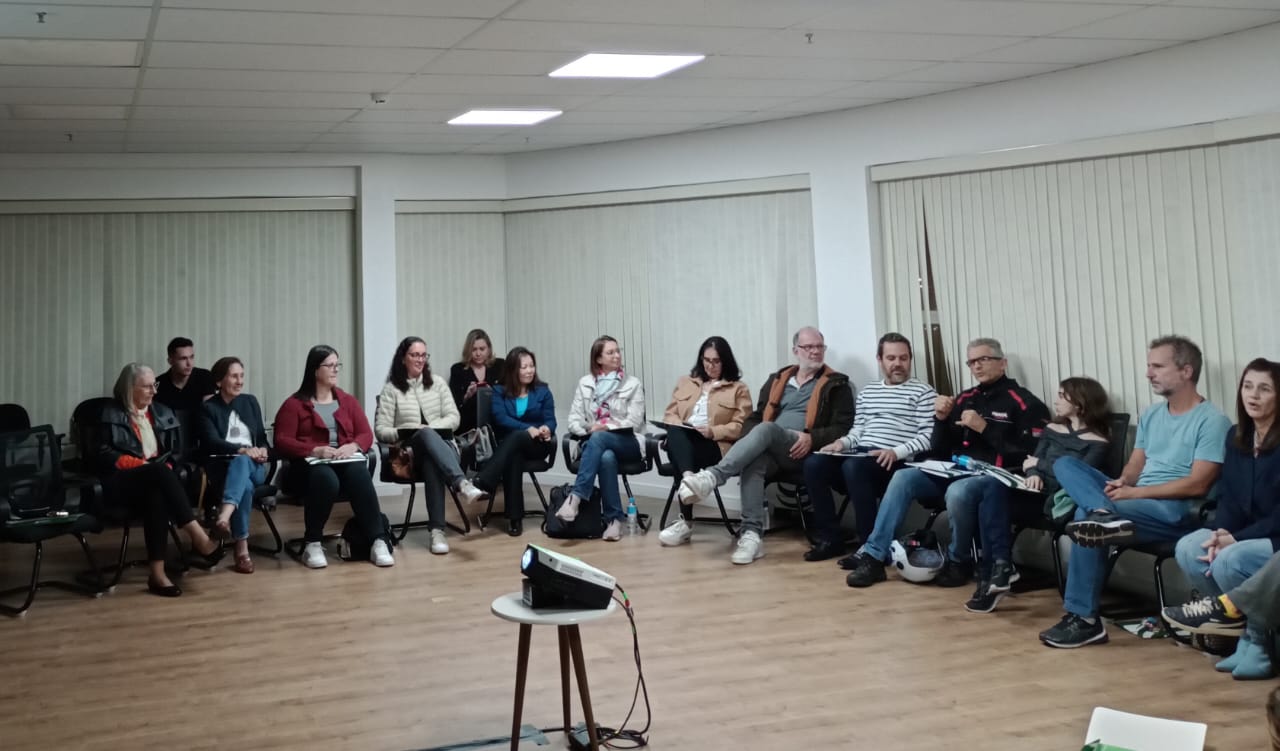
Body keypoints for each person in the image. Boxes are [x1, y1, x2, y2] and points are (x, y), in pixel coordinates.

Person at [1038, 336, 1232, 648]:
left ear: (1186, 371)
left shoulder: (1212, 421)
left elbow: (1198, 484)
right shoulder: (1152, 414)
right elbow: (1135, 464)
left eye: (1158, 366)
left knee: (1087, 516)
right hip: (1134, 501)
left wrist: (1134, 494)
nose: (1149, 373)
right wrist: (1124, 482)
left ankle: (1085, 620)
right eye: (1148, 366)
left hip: (1175, 509)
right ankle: (1103, 512)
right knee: (1066, 465)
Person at [843, 338, 1049, 592]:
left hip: (994, 478)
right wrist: (940, 419)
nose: (977, 366)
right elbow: (939, 448)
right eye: (972, 361)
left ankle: (958, 560)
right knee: (904, 477)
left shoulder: (1024, 402)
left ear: (1003, 363)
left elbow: (1031, 455)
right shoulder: (966, 397)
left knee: (959, 490)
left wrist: (984, 428)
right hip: (952, 469)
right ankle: (874, 556)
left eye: (984, 359)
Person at [678, 327, 855, 564]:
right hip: (773, 449)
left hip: (806, 450)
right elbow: (755, 417)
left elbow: (843, 426)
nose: (815, 352)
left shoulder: (837, 384)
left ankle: (712, 477)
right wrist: (753, 442)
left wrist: (812, 437)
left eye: (819, 347)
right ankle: (752, 535)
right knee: (756, 454)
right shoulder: (778, 380)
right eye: (808, 347)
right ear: (796, 351)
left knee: (767, 429)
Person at [1166, 358, 1280, 678]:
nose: (1253, 395)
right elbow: (1228, 493)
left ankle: (1257, 644)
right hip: (1242, 531)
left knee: (1231, 559)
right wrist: (1221, 532)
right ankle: (1241, 634)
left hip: (1272, 536)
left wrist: (1236, 540)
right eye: (1247, 386)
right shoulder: (1236, 436)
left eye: (1265, 389)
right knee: (1191, 548)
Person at [963, 376, 1111, 613]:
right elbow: (1029, 461)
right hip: (1036, 491)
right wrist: (1033, 471)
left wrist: (1038, 464)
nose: (1056, 400)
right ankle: (1001, 566)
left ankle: (991, 578)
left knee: (991, 507)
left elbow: (1077, 476)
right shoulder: (1052, 429)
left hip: (1061, 501)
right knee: (992, 489)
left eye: (1063, 396)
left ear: (1081, 402)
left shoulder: (1098, 442)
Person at [801, 333, 935, 562]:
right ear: (880, 360)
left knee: (854, 467)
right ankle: (830, 539)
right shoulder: (868, 392)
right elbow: (857, 431)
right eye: (891, 358)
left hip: (894, 461)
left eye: (903, 358)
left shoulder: (923, 392)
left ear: (910, 360)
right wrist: (840, 443)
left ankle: (869, 546)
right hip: (862, 453)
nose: (897, 364)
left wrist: (896, 452)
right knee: (814, 464)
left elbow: (928, 436)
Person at [95, 363, 224, 597]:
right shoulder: (110, 413)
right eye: (146, 387)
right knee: (157, 472)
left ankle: (157, 575)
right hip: (120, 482)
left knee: (157, 493)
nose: (154, 391)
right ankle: (197, 534)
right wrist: (143, 466)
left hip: (155, 482)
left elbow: (174, 453)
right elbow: (104, 455)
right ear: (129, 388)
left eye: (155, 385)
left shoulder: (161, 413)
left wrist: (158, 468)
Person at [275, 345, 394, 569]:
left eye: (337, 365)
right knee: (325, 478)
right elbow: (281, 440)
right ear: (314, 370)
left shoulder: (347, 401)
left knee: (359, 473)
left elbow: (365, 433)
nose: (335, 370)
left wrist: (354, 445)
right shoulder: (294, 404)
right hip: (306, 467)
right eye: (329, 365)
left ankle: (377, 539)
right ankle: (312, 543)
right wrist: (313, 449)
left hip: (342, 461)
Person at [375, 337, 488, 555]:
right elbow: (381, 429)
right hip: (408, 455)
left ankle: (437, 532)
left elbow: (454, 418)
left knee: (431, 459)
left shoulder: (437, 383)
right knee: (425, 438)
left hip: (441, 451)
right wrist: (407, 429)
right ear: (403, 358)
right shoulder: (392, 389)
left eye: (423, 355)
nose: (420, 360)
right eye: (414, 355)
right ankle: (461, 486)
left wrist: (430, 428)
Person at [656, 336, 753, 547]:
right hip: (686, 441)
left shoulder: (738, 389)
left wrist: (712, 431)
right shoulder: (685, 382)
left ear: (726, 361)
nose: (710, 366)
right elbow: (670, 415)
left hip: (716, 446)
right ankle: (690, 481)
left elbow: (741, 426)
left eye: (716, 361)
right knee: (676, 431)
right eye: (706, 360)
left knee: (677, 448)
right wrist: (679, 427)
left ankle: (685, 522)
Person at [559, 335, 646, 542]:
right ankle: (614, 521)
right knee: (606, 457)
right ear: (598, 359)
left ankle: (575, 498)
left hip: (628, 441)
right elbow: (573, 420)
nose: (617, 356)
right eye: (611, 352)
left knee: (600, 438)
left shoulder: (632, 384)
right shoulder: (585, 383)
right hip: (596, 444)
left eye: (618, 351)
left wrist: (604, 427)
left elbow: (634, 421)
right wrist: (590, 429)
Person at [199, 356, 271, 575]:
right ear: (220, 381)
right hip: (222, 468)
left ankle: (223, 518)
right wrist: (241, 450)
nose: (240, 381)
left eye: (242, 376)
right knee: (246, 487)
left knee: (243, 463)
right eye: (234, 376)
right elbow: (211, 441)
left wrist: (263, 451)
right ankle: (242, 550)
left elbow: (261, 439)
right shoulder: (208, 408)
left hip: (254, 466)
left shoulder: (250, 401)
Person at [473, 346, 556, 537]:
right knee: (514, 454)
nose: (529, 370)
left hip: (537, 446)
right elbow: (500, 418)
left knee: (517, 438)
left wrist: (546, 429)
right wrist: (526, 428)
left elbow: (550, 419)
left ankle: (484, 480)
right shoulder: (499, 391)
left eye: (531, 366)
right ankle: (514, 519)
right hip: (511, 447)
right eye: (524, 367)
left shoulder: (543, 391)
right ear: (513, 369)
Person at [449, 328, 505, 434]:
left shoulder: (500, 365)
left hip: (495, 419)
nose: (478, 353)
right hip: (469, 423)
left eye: (482, 349)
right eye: (474, 349)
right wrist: (467, 396)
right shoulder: (458, 369)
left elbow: (509, 395)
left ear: (489, 349)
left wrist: (492, 393)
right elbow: (453, 406)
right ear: (468, 350)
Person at [154, 336, 216, 412]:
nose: (189, 363)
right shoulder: (158, 384)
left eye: (191, 357)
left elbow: (210, 412)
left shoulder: (205, 377)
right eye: (183, 358)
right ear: (170, 361)